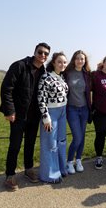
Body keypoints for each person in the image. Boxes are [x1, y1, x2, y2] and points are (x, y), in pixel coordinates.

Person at [0, 42, 50, 191]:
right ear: (34, 52)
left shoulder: (44, 72)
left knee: (30, 143)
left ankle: (28, 169)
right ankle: (10, 175)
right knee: (15, 145)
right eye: (40, 52)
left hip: (34, 116)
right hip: (18, 115)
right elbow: (6, 89)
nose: (42, 55)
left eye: (46, 54)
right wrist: (9, 111)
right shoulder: (19, 65)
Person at [37, 52, 68, 183]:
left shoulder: (62, 77)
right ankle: (49, 174)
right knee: (50, 144)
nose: (62, 64)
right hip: (51, 113)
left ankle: (61, 168)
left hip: (63, 111)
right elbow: (41, 98)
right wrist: (46, 117)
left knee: (61, 141)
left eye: (64, 62)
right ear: (53, 63)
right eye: (59, 62)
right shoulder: (46, 77)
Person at [64, 50, 92, 174]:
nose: (80, 61)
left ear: (85, 61)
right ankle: (69, 161)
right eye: (77, 58)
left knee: (82, 136)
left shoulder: (87, 74)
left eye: (82, 59)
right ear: (74, 60)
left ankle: (78, 160)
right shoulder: (67, 73)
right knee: (77, 137)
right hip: (72, 109)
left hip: (84, 109)